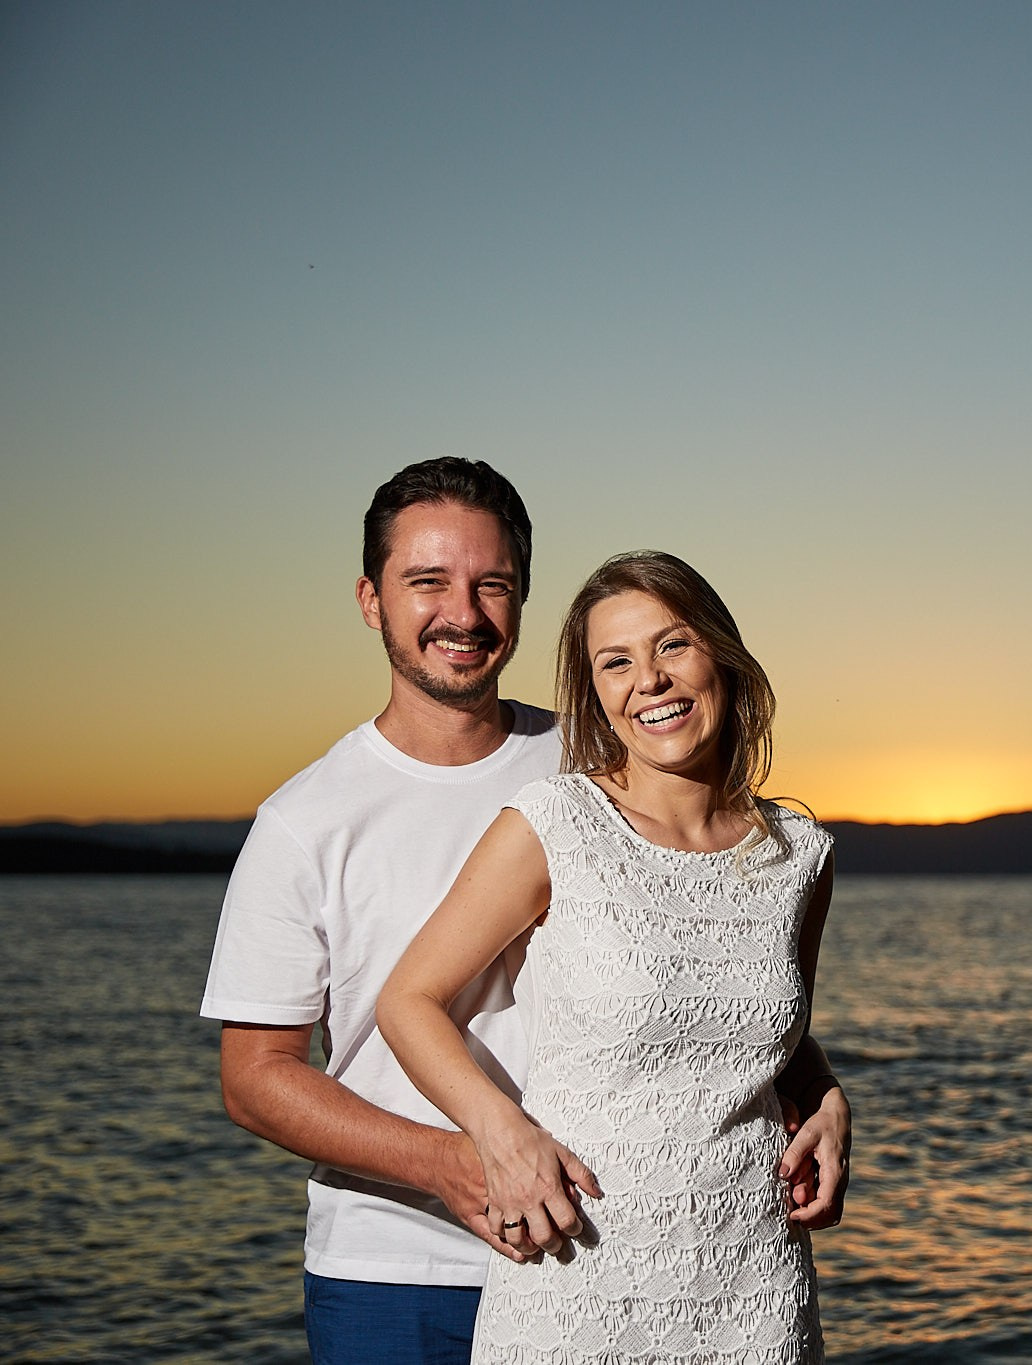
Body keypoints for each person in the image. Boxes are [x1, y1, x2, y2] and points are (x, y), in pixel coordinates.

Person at [200, 463, 848, 1365]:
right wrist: (451, 1159)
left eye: (492, 584)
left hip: (610, 1246)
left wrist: (819, 1088)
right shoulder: (305, 821)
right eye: (427, 581)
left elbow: (716, 972)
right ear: (370, 599)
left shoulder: (608, 758)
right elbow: (255, 1080)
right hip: (398, 1267)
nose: (462, 613)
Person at [379, 550, 839, 1363]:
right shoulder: (555, 824)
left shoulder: (798, 855)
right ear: (594, 690)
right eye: (615, 662)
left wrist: (827, 1095)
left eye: (672, 645)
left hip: (755, 1290)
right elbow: (407, 1001)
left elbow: (765, 1029)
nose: (649, 680)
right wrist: (502, 1135)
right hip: (579, 1276)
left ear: (722, 655)